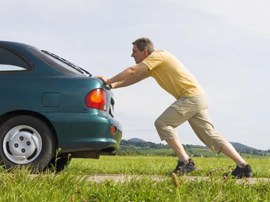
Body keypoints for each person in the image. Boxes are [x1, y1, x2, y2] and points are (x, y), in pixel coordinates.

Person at [97, 37, 252, 178]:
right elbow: (135, 77)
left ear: (145, 52)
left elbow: (132, 70)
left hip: (191, 96)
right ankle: (243, 167)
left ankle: (185, 162)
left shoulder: (159, 55)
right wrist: (113, 85)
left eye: (134, 51)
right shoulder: (153, 65)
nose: (132, 55)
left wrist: (109, 78)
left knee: (163, 123)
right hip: (198, 97)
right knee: (210, 135)